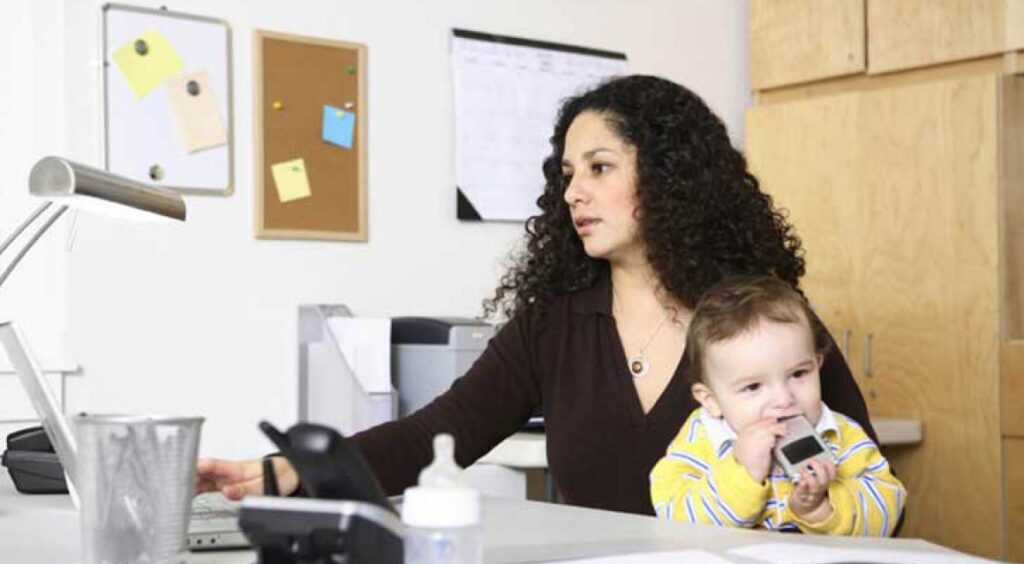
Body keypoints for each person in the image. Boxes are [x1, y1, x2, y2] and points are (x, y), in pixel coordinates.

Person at [196, 75, 879, 516]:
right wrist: (296, 469)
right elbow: (433, 437)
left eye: (600, 168)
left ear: (672, 178)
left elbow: (873, 485)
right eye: (567, 173)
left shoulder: (765, 320)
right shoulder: (552, 325)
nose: (573, 192)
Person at [649, 275, 905, 535]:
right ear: (711, 401)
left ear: (817, 365)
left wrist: (821, 508)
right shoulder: (701, 438)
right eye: (753, 387)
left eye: (798, 374)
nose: (784, 400)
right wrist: (742, 473)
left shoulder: (841, 435)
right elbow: (675, 518)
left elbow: (887, 507)